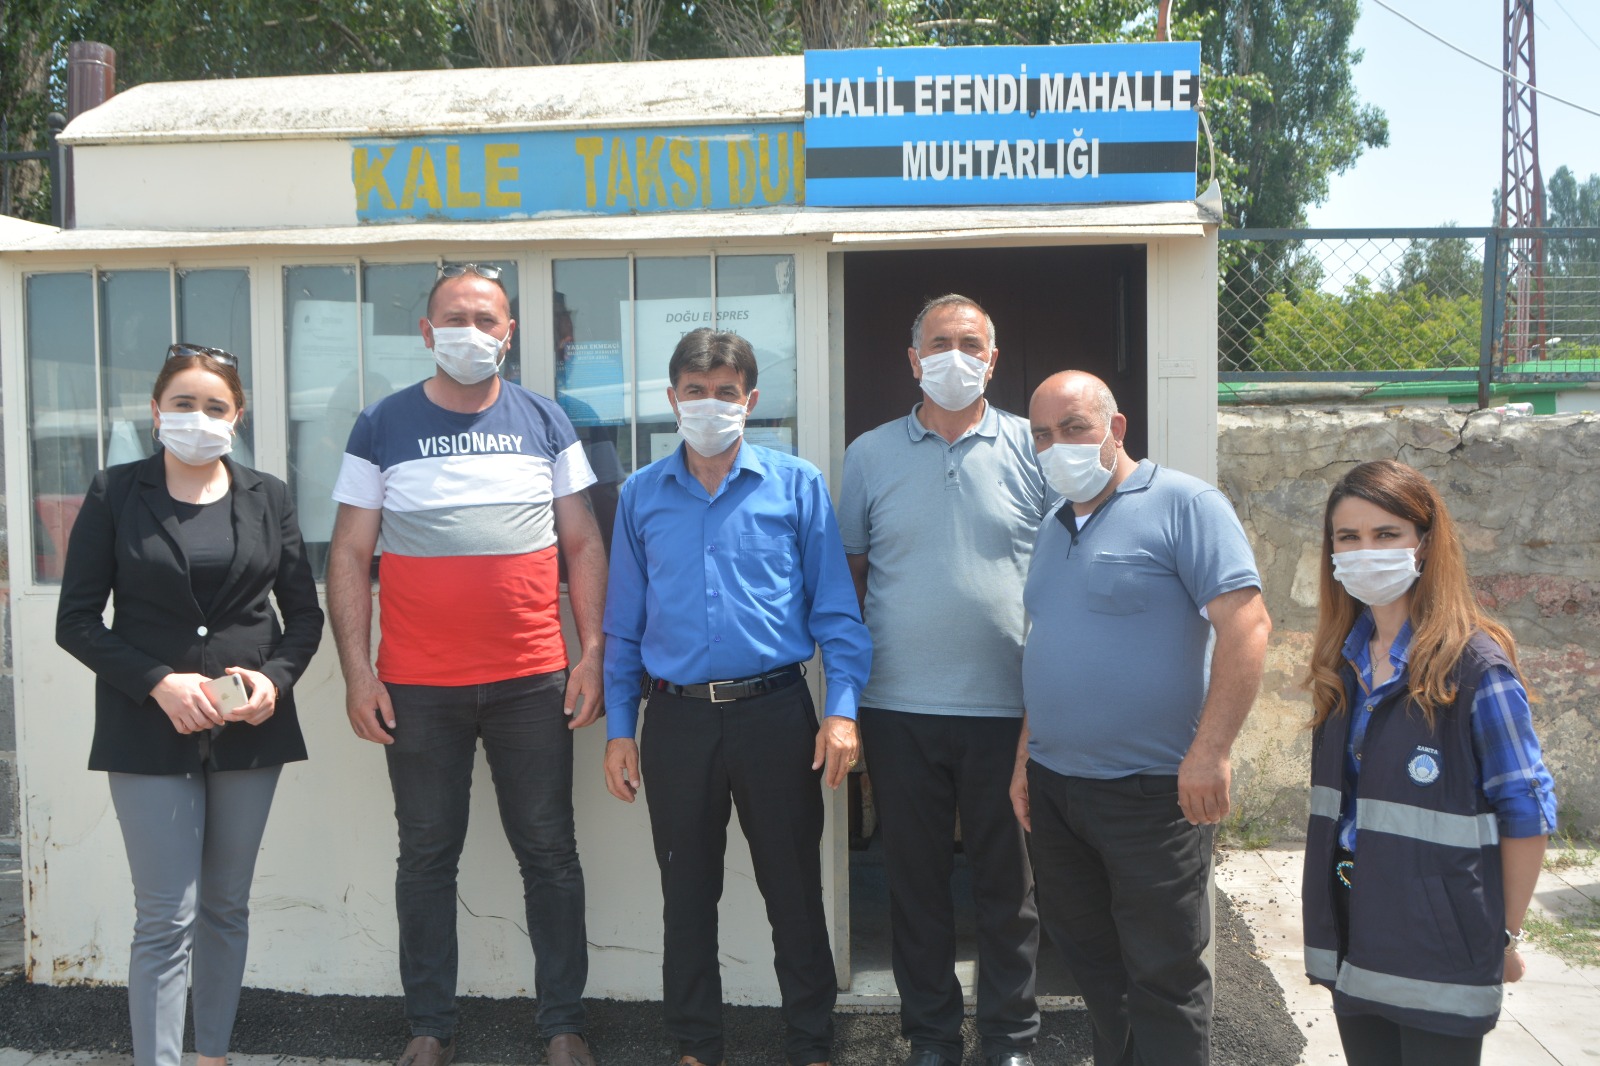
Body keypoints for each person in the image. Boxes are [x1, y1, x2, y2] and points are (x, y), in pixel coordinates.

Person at [327, 263, 608, 1066]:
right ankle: (429, 1026)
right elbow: (348, 554)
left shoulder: (546, 419)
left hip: (532, 678)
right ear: (426, 331)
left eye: (487, 320)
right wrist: (358, 672)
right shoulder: (381, 424)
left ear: (509, 333)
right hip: (416, 685)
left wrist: (592, 653)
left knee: (550, 853)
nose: (471, 333)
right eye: (455, 318)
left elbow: (583, 541)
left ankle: (563, 1025)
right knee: (425, 856)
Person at [601, 327, 871, 1066]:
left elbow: (837, 614)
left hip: (775, 715)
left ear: (750, 401)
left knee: (794, 891)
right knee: (687, 894)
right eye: (696, 391)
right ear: (672, 399)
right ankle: (696, 1048)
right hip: (677, 719)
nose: (710, 404)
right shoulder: (641, 495)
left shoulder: (796, 484)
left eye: (726, 392)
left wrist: (842, 710)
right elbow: (623, 626)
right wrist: (620, 728)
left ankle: (811, 1045)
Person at [56, 343, 325, 1066]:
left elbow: (303, 615)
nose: (198, 418)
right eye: (183, 403)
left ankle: (213, 1056)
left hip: (248, 730)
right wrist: (157, 681)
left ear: (237, 417)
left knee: (226, 907)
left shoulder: (268, 495)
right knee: (164, 918)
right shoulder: (116, 492)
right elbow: (75, 621)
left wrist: (275, 680)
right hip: (146, 729)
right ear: (155, 411)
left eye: (214, 406)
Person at [1010, 370, 1271, 1066]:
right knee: (1093, 966)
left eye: (1074, 428)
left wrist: (1211, 752)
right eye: (1043, 434)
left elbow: (1247, 627)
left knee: (1163, 973)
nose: (1057, 445)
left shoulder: (1186, 504)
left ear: (1115, 428)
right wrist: (1026, 756)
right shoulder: (1053, 526)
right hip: (1058, 789)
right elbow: (1050, 642)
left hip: (1155, 792)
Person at [838, 294, 1045, 1066]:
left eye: (970, 343)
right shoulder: (869, 455)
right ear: (913, 358)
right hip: (898, 706)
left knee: (1008, 886)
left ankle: (1010, 1038)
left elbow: (1061, 574)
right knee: (915, 882)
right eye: (938, 342)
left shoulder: (1032, 446)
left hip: (1009, 708)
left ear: (992, 361)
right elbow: (852, 580)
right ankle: (930, 1036)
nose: (954, 355)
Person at [1300, 458, 1557, 1066]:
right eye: (1348, 537)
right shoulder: (1342, 664)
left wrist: (1503, 937)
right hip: (1353, 924)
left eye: (1386, 534)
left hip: (1440, 946)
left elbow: (1526, 812)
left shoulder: (1476, 669)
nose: (1366, 551)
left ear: (1425, 542)